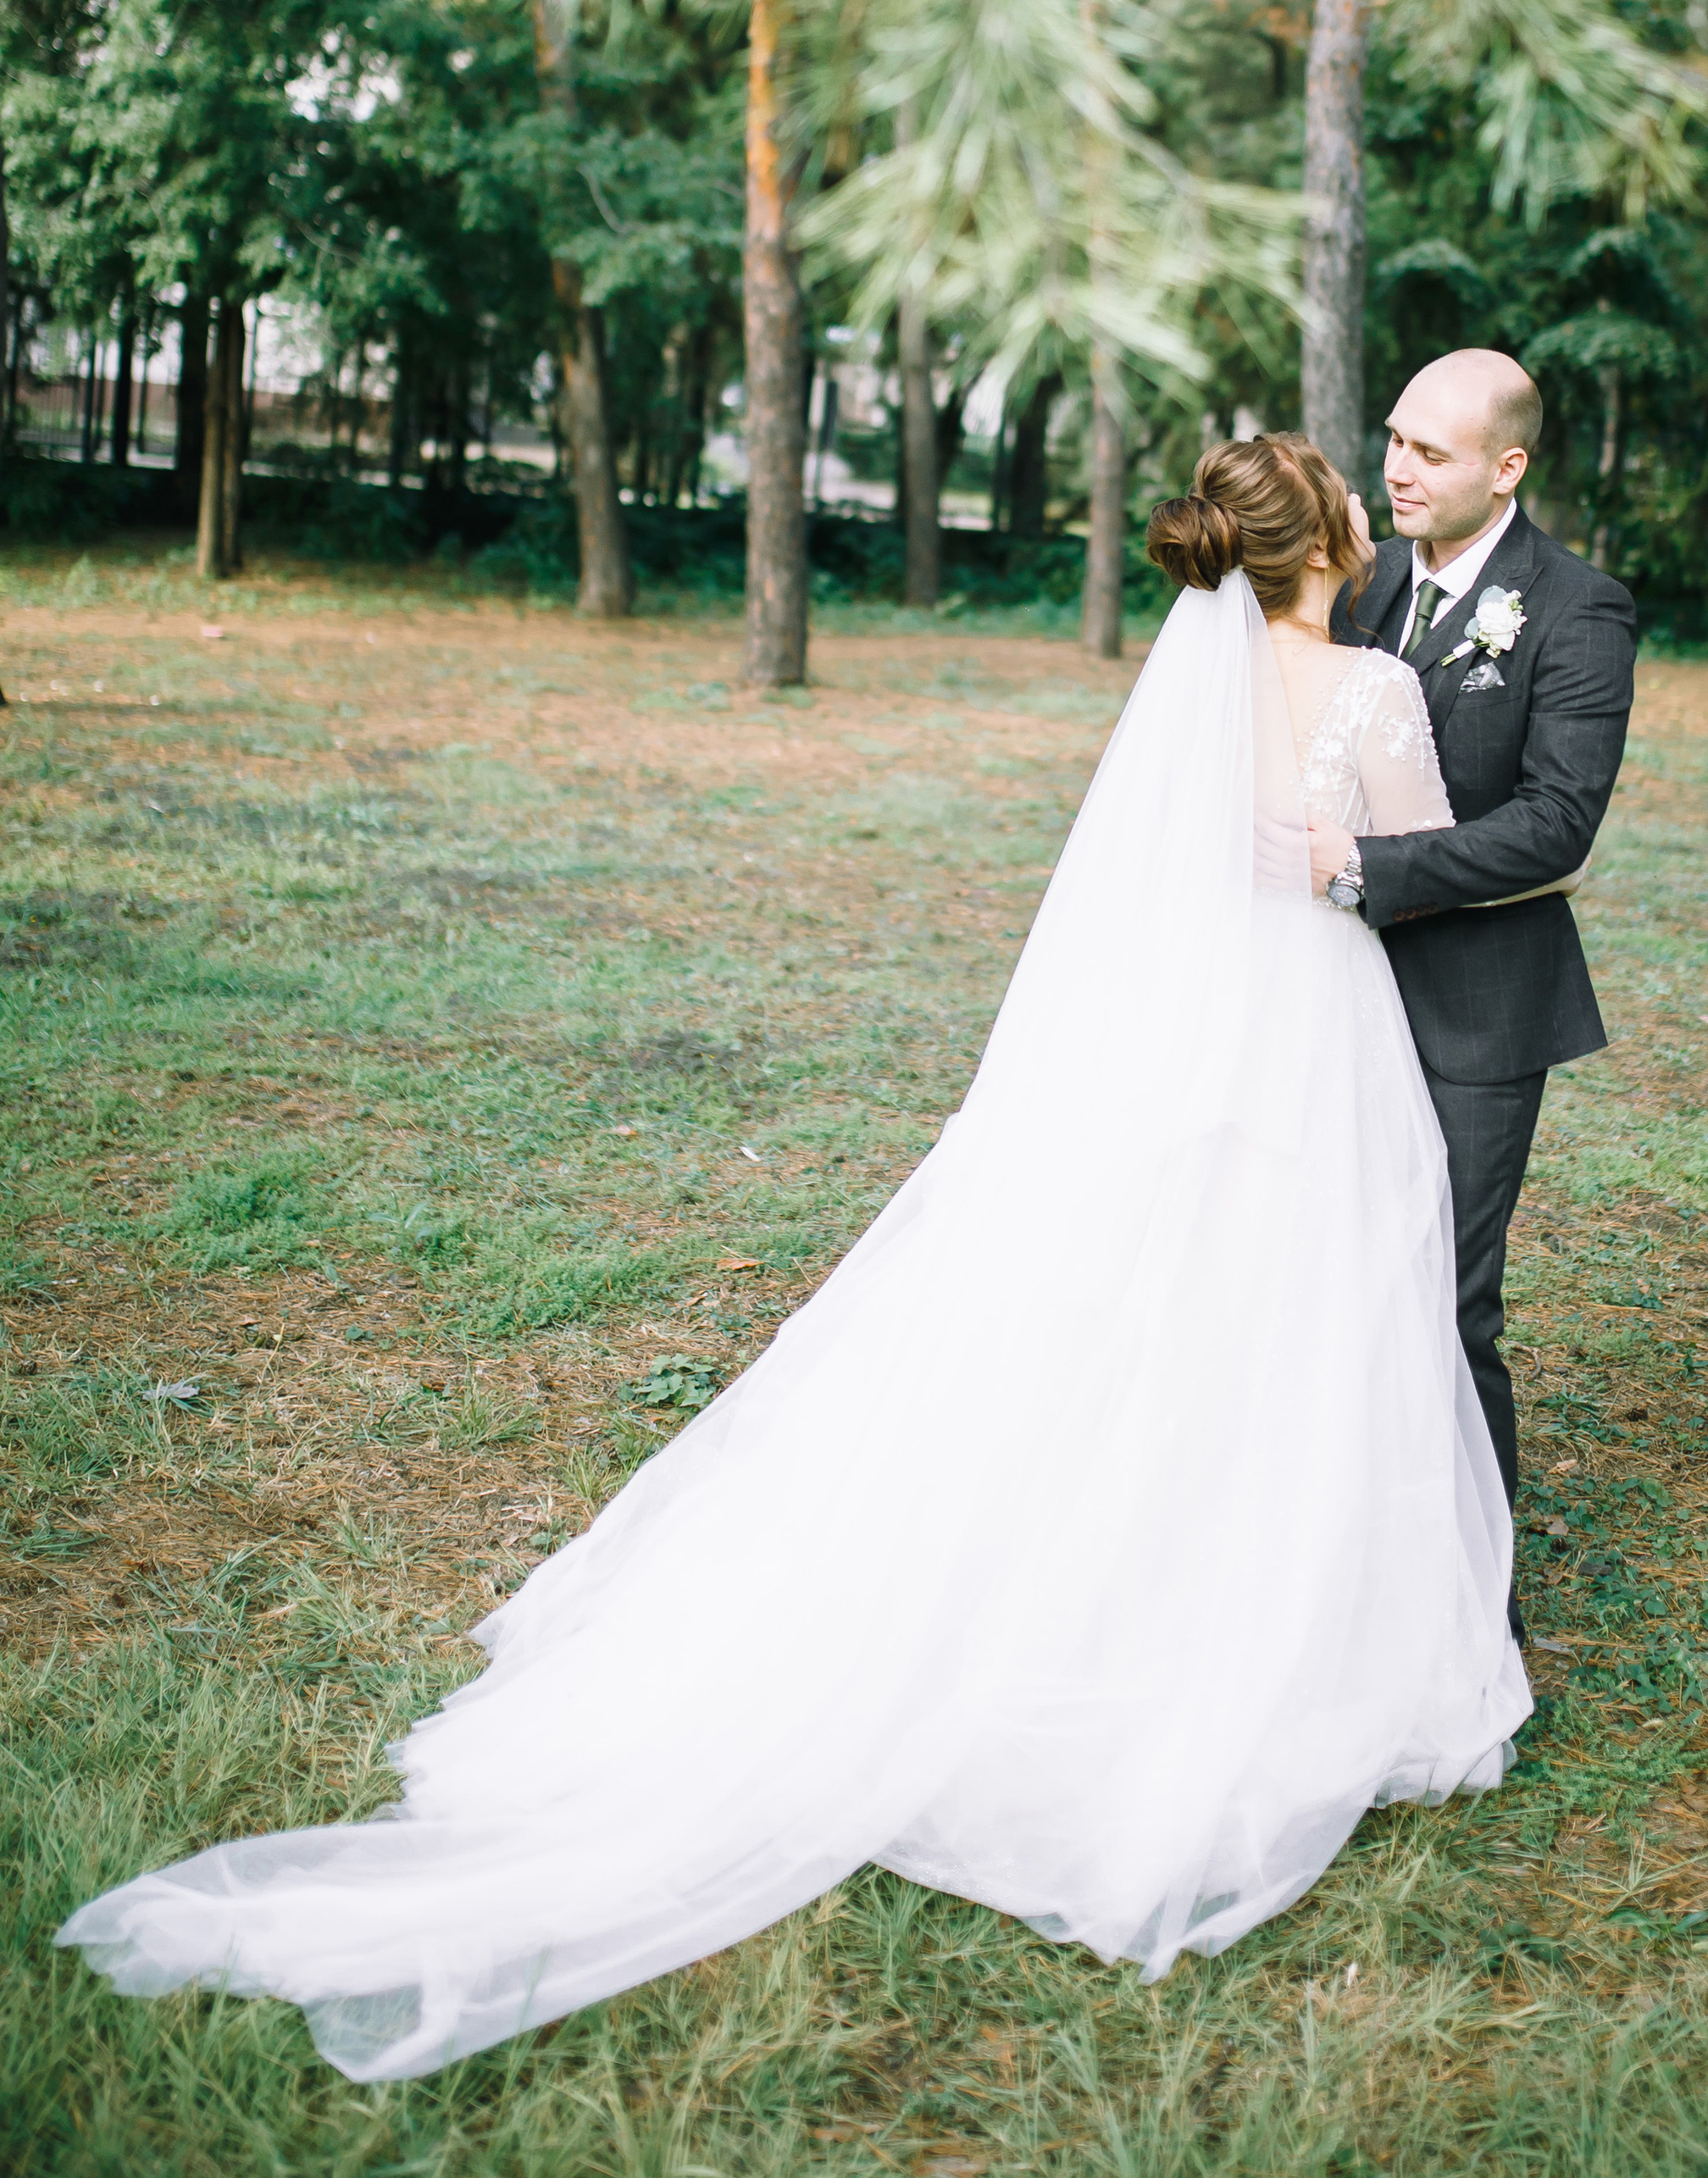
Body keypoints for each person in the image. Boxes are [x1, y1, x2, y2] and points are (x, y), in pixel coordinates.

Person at [60, 434, 1529, 2082]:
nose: (1360, 490)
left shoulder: (1186, 693)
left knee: (1147, 1317)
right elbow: (1405, 869)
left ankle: (1105, 1597)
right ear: (1324, 536)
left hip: (1180, 1040)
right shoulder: (1373, 697)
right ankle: (1242, 1618)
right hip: (1311, 1033)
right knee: (1287, 1326)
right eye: (1346, 478)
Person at [1317, 350, 1638, 1605]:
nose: (1397, 468)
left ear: (1506, 468)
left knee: (1447, 1299)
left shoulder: (1576, 606)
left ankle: (1465, 1600)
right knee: (1323, 1271)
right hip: (1328, 992)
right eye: (1392, 438)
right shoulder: (1363, 578)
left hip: (1478, 1008)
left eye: (1430, 452)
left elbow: (1560, 822)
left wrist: (1368, 866)